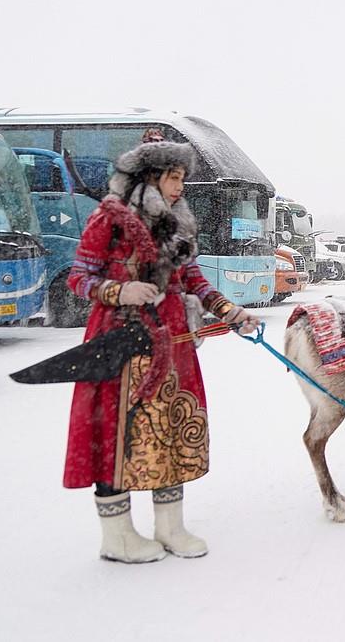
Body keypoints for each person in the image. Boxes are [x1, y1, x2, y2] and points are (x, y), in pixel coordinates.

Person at [64, 141, 260, 563]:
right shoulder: (108, 218)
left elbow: (194, 282)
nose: (179, 187)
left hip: (173, 345)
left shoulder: (177, 224)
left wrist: (230, 312)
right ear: (149, 178)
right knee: (116, 436)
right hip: (121, 343)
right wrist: (119, 290)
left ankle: (170, 527)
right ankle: (117, 537)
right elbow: (79, 277)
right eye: (173, 178)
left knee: (172, 428)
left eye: (182, 179)